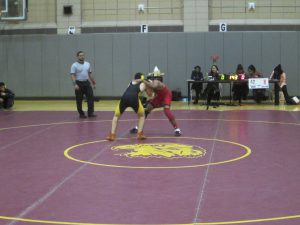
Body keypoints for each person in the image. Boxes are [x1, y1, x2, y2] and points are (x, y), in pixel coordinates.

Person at [130, 69, 182, 136]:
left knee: (166, 110)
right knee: (146, 110)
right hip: (159, 96)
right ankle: (138, 127)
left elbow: (153, 86)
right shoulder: (147, 85)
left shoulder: (156, 81)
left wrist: (143, 81)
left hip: (166, 94)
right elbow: (150, 95)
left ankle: (177, 129)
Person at [106, 72, 147, 141]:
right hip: (134, 98)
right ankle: (139, 134)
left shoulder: (130, 82)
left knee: (116, 116)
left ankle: (112, 135)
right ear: (142, 77)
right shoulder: (143, 83)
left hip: (124, 97)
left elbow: (129, 88)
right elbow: (143, 91)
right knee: (142, 115)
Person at [70, 51, 97, 118]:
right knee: (79, 100)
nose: (82, 56)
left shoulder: (87, 64)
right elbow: (72, 75)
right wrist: (75, 84)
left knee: (90, 98)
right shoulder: (74, 65)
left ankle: (90, 113)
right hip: (79, 83)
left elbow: (90, 74)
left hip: (87, 83)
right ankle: (81, 114)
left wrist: (93, 83)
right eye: (80, 55)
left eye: (83, 55)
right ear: (77, 56)